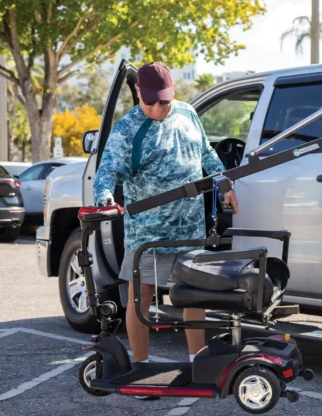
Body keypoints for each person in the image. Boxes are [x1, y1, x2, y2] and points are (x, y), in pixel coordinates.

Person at [93, 62, 238, 400]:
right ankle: (142, 369)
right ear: (140, 96)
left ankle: (197, 361)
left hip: (189, 227)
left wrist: (226, 184)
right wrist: (104, 197)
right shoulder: (129, 127)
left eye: (165, 101)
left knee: (195, 294)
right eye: (151, 103)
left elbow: (207, 155)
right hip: (147, 233)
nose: (158, 108)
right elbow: (108, 169)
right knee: (140, 298)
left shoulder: (187, 114)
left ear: (174, 93)